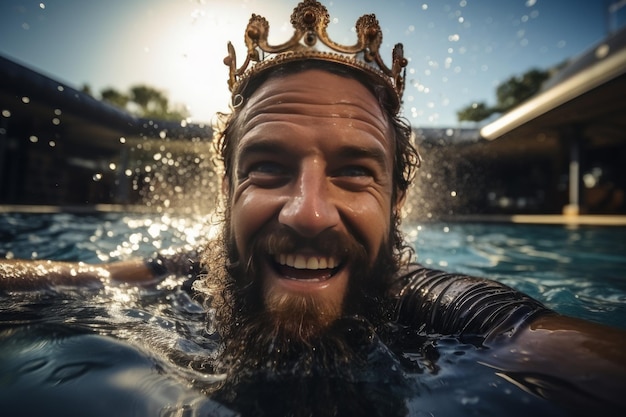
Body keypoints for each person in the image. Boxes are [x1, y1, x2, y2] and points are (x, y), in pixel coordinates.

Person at [1, 1, 625, 415]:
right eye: (269, 168)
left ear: (396, 201)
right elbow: (73, 281)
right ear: (227, 191)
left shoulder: (443, 308)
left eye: (354, 173)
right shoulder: (188, 271)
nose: (308, 212)